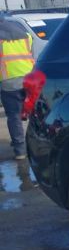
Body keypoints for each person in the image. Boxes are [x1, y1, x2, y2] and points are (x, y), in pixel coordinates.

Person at [0, 17, 35, 160]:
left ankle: (20, 151)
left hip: (9, 82)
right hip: (30, 79)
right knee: (35, 114)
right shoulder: (24, 34)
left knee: (14, 116)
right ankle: (38, 146)